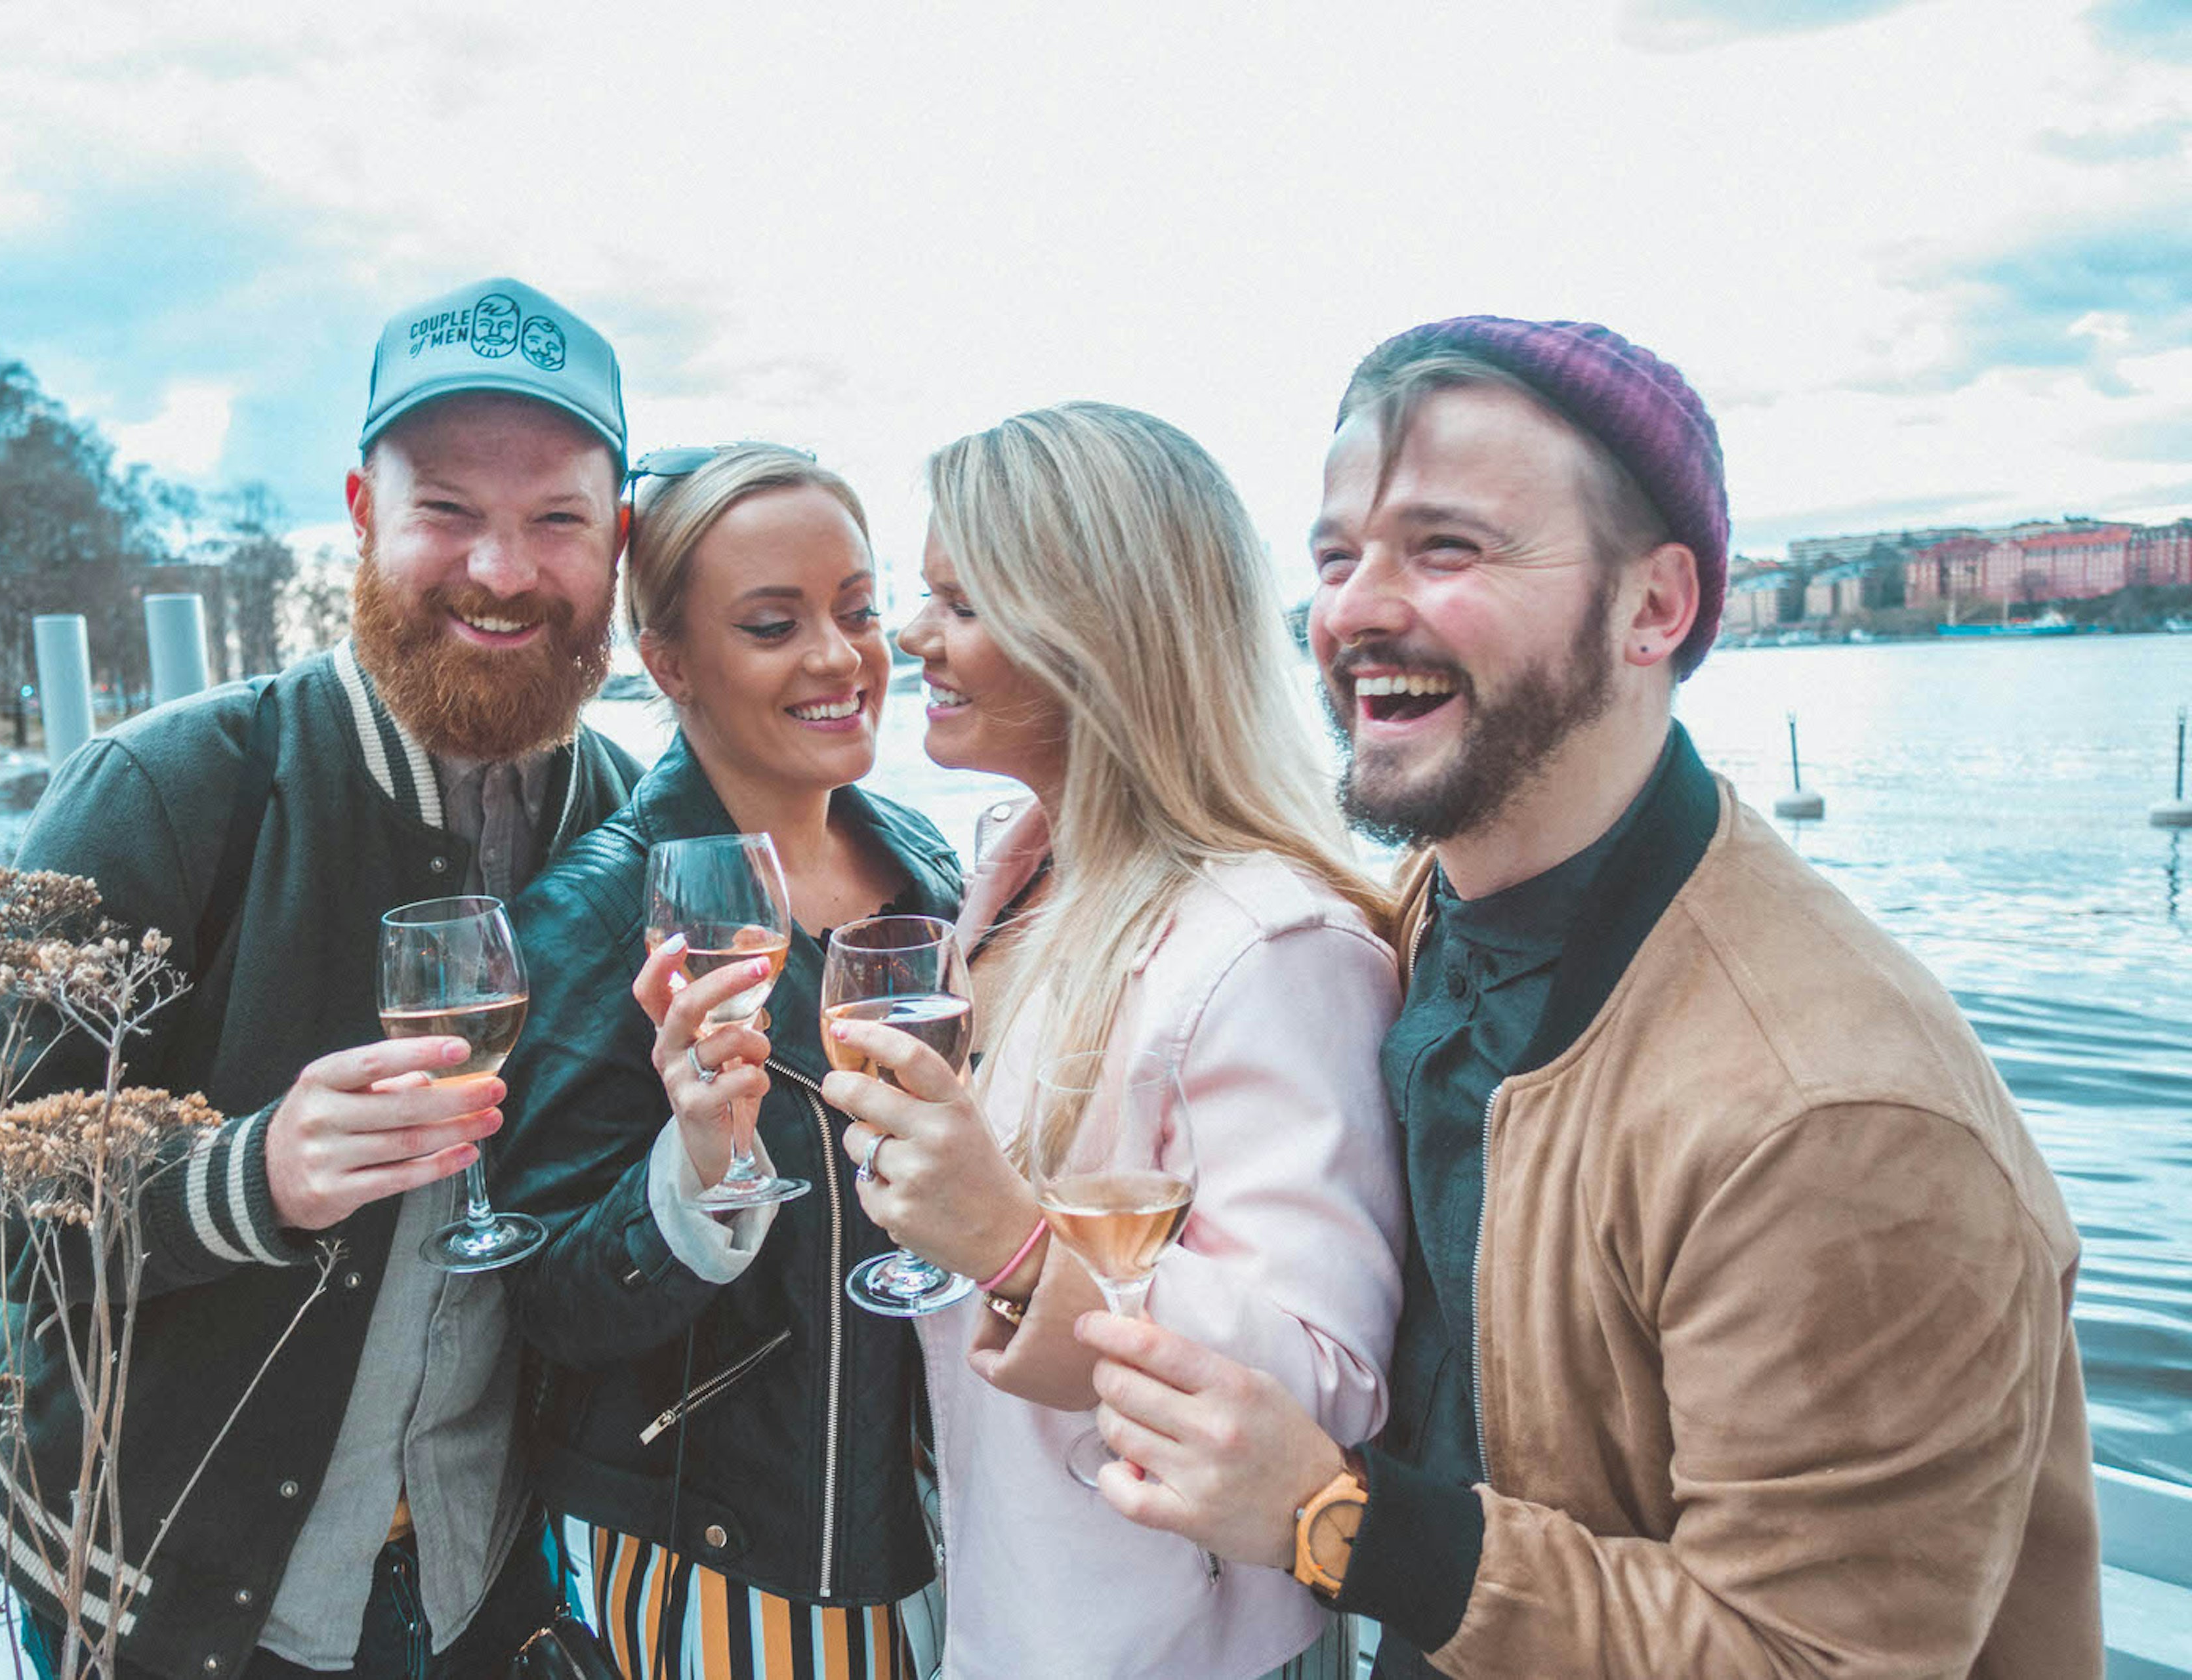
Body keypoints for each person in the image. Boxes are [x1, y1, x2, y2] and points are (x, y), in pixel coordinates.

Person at [1075, 316, 2103, 1677]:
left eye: (1448, 549)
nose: (1357, 608)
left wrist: (1335, 1520)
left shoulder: (1831, 1115)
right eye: (1337, 557)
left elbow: (1809, 1657)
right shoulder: (1440, 906)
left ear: (1655, 606)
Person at [0, 275, 645, 1679]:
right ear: (362, 518)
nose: (501, 569)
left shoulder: (623, 815)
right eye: (447, 510)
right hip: (170, 1594)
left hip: (493, 1568)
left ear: (618, 540)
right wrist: (250, 1180)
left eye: (556, 517)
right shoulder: (168, 789)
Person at [819, 402, 1409, 1679]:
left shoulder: (1271, 949)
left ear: (1094, 634)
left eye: (962, 603)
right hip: (1008, 1588)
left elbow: (1326, 1382)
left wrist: (1010, 1243)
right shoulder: (1022, 881)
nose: (910, 635)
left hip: (1170, 1644)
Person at [497, 445, 961, 1677]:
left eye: (859, 611)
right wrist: (694, 1166)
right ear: (670, 663)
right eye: (774, 624)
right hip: (742, 1557)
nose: (840, 657)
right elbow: (546, 1292)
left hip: (959, 1524)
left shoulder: (924, 862)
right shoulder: (599, 917)